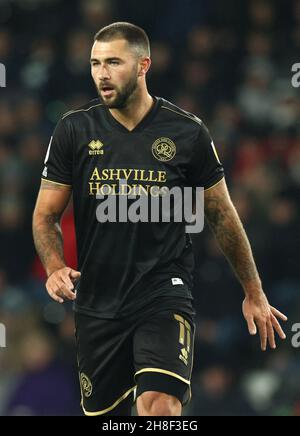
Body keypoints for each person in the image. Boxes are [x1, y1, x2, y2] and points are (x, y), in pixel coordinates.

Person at [32, 22, 287, 417]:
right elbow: (45, 216)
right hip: (98, 303)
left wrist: (253, 291)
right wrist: (53, 267)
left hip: (163, 292)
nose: (101, 73)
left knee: (159, 406)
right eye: (95, 63)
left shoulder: (187, 133)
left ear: (143, 65)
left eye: (114, 62)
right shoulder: (74, 130)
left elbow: (221, 214)